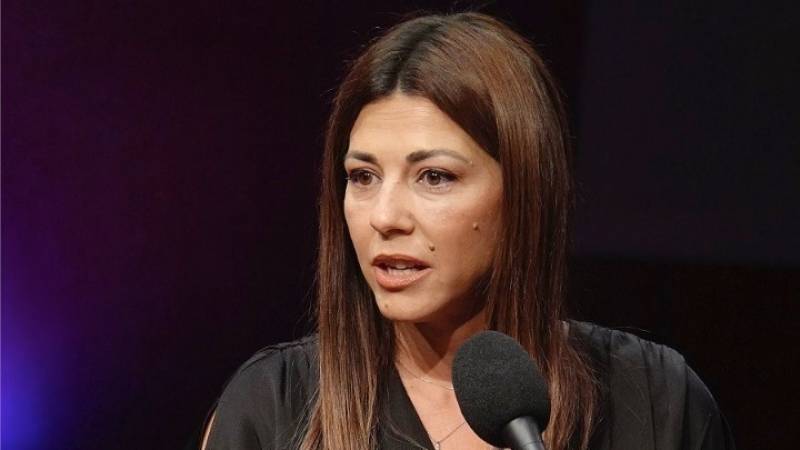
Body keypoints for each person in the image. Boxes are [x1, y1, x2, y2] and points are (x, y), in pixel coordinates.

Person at [196, 12, 735, 450]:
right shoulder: (273, 406)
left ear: (524, 192)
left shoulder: (655, 401)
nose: (385, 216)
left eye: (434, 176)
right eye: (363, 177)